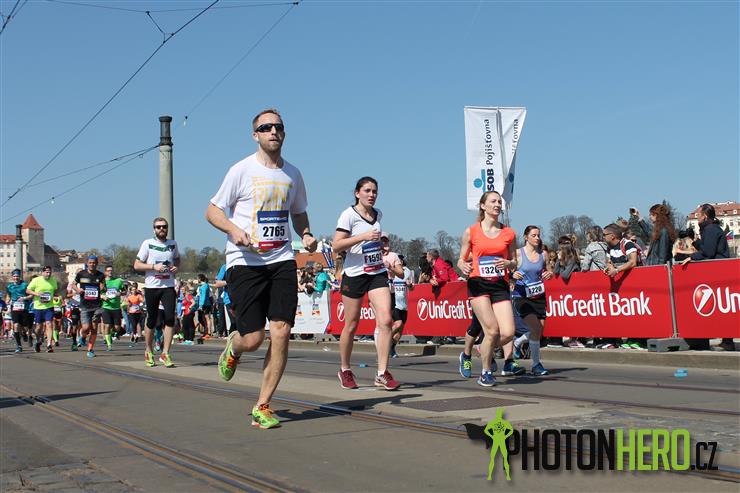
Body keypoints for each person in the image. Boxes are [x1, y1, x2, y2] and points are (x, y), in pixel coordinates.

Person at [207, 108, 317, 429]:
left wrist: (306, 234)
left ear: (284, 133)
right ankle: (235, 345)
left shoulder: (293, 174)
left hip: (281, 259)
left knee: (281, 331)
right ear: (255, 135)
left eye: (278, 127)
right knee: (253, 338)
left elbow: (298, 212)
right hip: (245, 261)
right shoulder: (241, 170)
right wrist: (233, 230)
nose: (273, 132)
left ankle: (263, 404)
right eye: (266, 127)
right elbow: (212, 211)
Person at [333, 176, 400, 391]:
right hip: (354, 275)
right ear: (357, 193)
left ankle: (382, 372)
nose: (372, 195)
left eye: (374, 191)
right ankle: (345, 369)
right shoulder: (348, 215)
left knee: (386, 320)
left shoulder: (378, 214)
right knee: (351, 325)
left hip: (376, 272)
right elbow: (337, 245)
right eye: (367, 191)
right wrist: (363, 236)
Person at [457, 191, 517, 387]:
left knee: (508, 333)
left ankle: (484, 348)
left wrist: (508, 264)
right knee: (492, 330)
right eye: (493, 201)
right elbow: (461, 259)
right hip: (478, 283)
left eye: (499, 202)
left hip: (499, 284)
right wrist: (462, 265)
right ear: (483, 206)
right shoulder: (471, 231)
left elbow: (515, 261)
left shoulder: (509, 233)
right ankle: (485, 372)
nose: (498, 204)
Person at [682, 204, 732, 351]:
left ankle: (727, 340)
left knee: (722, 306)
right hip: (719, 270)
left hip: (718, 271)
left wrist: (692, 257)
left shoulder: (710, 230)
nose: (697, 218)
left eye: (698, 215)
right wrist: (694, 240)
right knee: (722, 307)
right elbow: (707, 249)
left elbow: (708, 252)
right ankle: (727, 340)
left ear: (704, 216)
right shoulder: (712, 229)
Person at [133, 217, 180, 368]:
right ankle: (148, 350)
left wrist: (176, 267)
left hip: (168, 286)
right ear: (154, 229)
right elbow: (137, 265)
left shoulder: (173, 244)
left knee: (170, 319)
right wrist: (154, 267)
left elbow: (177, 259)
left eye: (164, 226)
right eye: (158, 227)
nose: (161, 229)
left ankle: (165, 353)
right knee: (152, 320)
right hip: (152, 287)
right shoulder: (147, 243)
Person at [512, 226, 553, 375]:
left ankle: (518, 342)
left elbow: (549, 270)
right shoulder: (518, 253)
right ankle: (536, 365)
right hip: (522, 296)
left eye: (538, 235)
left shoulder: (543, 254)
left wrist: (549, 274)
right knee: (535, 329)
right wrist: (513, 275)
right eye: (534, 235)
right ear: (525, 237)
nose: (537, 238)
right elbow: (508, 270)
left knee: (539, 332)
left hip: (539, 296)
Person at [72, 256, 106, 357]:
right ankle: (82, 337)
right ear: (87, 263)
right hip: (85, 305)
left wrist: (103, 288)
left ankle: (90, 349)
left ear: (97, 264)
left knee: (94, 328)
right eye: (90, 262)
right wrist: (78, 290)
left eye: (94, 263)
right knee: (86, 328)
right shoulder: (81, 274)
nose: (92, 264)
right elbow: (73, 284)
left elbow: (104, 288)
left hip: (97, 305)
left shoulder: (100, 275)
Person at [26, 266, 59, 353]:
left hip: (49, 306)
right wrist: (37, 293)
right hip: (38, 307)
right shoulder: (36, 280)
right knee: (38, 327)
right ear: (42, 272)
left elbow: (55, 291)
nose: (48, 274)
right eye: (47, 272)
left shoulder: (53, 280)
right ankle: (38, 340)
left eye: (50, 272)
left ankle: (49, 345)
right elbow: (28, 290)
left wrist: (55, 296)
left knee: (49, 324)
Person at [390, 255, 413, 358]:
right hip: (394, 303)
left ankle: (391, 348)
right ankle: (383, 340)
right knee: (398, 323)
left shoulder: (407, 271)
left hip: (404, 305)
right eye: (398, 260)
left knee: (400, 331)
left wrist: (410, 285)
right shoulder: (391, 272)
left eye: (401, 260)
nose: (400, 261)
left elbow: (412, 288)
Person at [7, 269, 32, 353]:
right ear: (12, 277)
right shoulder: (9, 286)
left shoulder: (25, 285)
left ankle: (24, 333)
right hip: (14, 308)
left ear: (20, 276)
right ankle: (19, 345)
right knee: (16, 325)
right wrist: (8, 301)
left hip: (24, 308)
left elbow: (31, 295)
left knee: (25, 326)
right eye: (14, 276)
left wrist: (24, 298)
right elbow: (9, 295)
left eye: (17, 276)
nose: (16, 278)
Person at [101, 265, 125, 351]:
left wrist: (120, 293)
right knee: (107, 325)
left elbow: (124, 291)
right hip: (106, 307)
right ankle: (109, 345)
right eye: (108, 270)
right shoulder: (102, 282)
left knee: (117, 328)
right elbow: (98, 293)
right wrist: (102, 296)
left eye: (111, 270)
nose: (110, 272)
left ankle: (110, 334)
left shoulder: (118, 281)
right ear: (105, 272)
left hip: (116, 307)